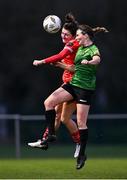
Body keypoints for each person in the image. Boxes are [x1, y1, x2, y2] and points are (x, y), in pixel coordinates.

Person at [29, 24, 108, 169]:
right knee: (49, 102)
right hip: (73, 84)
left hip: (85, 89)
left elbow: (97, 59)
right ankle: (50, 136)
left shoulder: (92, 49)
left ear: (85, 35)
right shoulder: (80, 48)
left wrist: (90, 61)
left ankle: (81, 154)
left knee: (80, 123)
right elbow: (73, 68)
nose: (76, 37)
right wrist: (61, 65)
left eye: (78, 35)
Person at [28, 13, 81, 158]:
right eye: (62, 33)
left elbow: (59, 56)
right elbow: (64, 61)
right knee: (61, 118)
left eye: (66, 34)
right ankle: (48, 140)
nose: (63, 36)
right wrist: (61, 65)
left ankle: (49, 137)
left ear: (73, 35)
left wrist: (42, 61)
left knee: (49, 103)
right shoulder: (73, 43)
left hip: (74, 85)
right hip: (69, 83)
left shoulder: (73, 44)